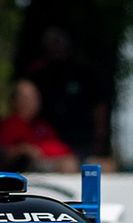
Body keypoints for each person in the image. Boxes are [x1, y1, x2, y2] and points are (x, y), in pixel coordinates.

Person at [27, 27, 109, 161]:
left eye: (58, 42)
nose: (56, 47)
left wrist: (99, 136)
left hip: (81, 139)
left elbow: (99, 105)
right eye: (52, 43)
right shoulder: (38, 74)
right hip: (46, 142)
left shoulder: (83, 72)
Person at [0, 79, 78, 173]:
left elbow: (60, 147)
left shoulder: (42, 126)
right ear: (15, 101)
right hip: (27, 173)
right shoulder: (9, 125)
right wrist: (23, 149)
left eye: (35, 97)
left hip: (51, 163)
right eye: (26, 98)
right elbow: (4, 154)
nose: (33, 102)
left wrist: (39, 150)